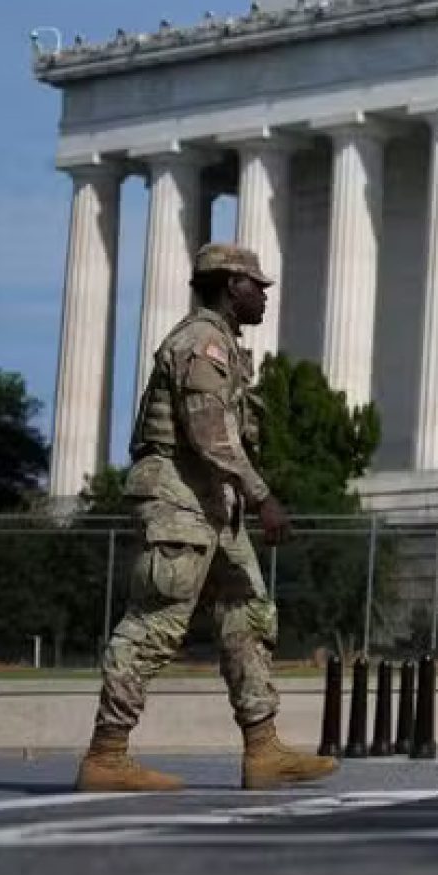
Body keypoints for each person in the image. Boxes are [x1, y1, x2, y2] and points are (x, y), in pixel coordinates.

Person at [76, 243, 338, 791]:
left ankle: (263, 750)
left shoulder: (223, 345)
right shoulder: (202, 341)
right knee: (155, 623)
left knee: (249, 616)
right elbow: (207, 431)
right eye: (255, 285)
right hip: (180, 501)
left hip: (214, 507)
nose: (263, 296)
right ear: (227, 285)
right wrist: (262, 494)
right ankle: (107, 754)